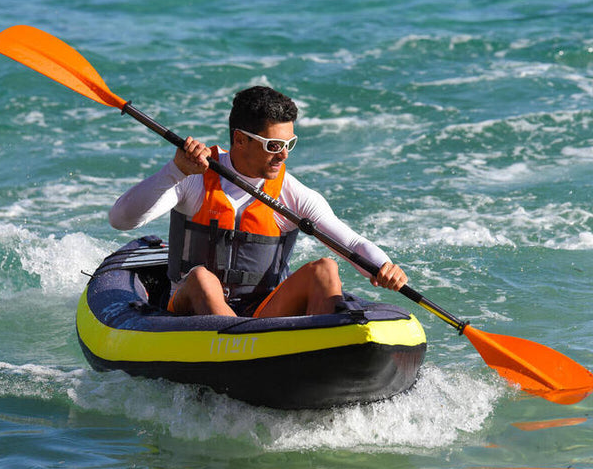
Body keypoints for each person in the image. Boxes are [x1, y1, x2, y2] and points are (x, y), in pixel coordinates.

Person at [109, 85, 408, 318]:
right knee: (202, 279)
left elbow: (351, 243)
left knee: (325, 269)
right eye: (274, 145)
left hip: (262, 315)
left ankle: (322, 354)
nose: (284, 155)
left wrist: (384, 266)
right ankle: (236, 355)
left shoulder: (292, 193)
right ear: (240, 140)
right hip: (189, 311)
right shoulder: (194, 177)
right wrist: (175, 171)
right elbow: (121, 219)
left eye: (289, 144)